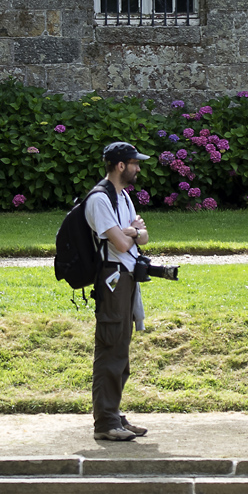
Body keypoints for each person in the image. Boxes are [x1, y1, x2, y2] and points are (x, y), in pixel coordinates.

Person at [84, 141, 151, 442]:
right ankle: (106, 422)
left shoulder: (122, 196)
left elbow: (143, 237)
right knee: (111, 348)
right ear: (121, 165)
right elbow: (122, 245)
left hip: (126, 278)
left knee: (121, 348)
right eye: (135, 163)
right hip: (112, 279)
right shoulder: (100, 199)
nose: (139, 168)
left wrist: (131, 231)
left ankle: (114, 415)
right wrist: (131, 233)